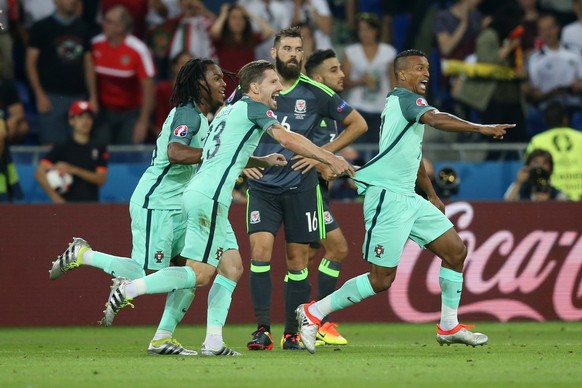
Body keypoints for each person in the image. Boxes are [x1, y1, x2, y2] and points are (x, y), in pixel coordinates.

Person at [98, 59, 353, 355]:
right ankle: (129, 289)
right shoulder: (254, 107)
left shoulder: (226, 112)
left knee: (232, 267)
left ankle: (214, 342)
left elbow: (222, 153)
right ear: (254, 88)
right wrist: (327, 157)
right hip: (208, 197)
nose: (279, 88)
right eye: (273, 83)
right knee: (201, 274)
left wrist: (262, 160)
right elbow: (285, 137)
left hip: (206, 195)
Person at [296, 49, 514, 354]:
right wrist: (480, 128)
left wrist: (432, 195)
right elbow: (437, 120)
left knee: (455, 251)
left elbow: (412, 158)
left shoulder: (407, 106)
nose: (425, 73)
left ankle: (449, 325)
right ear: (402, 74)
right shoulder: (405, 98)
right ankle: (313, 313)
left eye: (427, 67)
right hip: (387, 196)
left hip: (409, 197)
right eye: (418, 68)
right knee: (381, 279)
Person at [49, 58, 265, 356]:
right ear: (200, 83)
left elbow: (222, 151)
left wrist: (256, 160)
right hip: (158, 201)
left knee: (211, 270)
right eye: (216, 78)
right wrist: (215, 158)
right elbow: (175, 152)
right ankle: (83, 254)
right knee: (144, 271)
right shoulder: (187, 115)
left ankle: (169, 339)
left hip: (184, 203)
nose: (222, 83)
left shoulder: (204, 117)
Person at [238, 27, 366, 351]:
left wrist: (324, 155)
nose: (293, 54)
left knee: (298, 261)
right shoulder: (258, 87)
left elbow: (359, 123)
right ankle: (262, 330)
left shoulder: (315, 92)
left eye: (298, 49)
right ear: (274, 52)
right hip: (262, 187)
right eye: (287, 48)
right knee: (260, 253)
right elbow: (227, 122)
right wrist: (242, 163)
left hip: (302, 188)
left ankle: (291, 333)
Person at [301, 48, 352, 345]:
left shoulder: (326, 111)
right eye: (334, 70)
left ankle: (297, 327)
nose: (342, 74)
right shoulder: (314, 108)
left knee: (306, 256)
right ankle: (320, 320)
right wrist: (324, 162)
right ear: (318, 78)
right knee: (338, 248)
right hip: (308, 189)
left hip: (318, 189)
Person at [25, 0, 96, 145]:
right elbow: (30, 64)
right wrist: (39, 95)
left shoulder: (83, 28)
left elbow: (88, 64)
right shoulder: (41, 27)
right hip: (51, 97)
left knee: (80, 145)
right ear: (56, 1)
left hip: (78, 95)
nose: (72, 2)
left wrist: (93, 97)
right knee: (51, 147)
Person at [91, 5, 156, 145]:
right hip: (104, 111)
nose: (103, 24)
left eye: (108, 21)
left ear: (120, 27)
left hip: (131, 113)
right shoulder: (95, 44)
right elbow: (89, 74)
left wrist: (143, 121)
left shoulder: (138, 50)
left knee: (127, 152)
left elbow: (149, 88)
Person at [35, 100, 108, 203]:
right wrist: (55, 197)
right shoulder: (62, 147)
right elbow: (39, 172)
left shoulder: (99, 147)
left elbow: (101, 179)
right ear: (71, 120)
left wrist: (73, 169)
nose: (85, 121)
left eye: (88, 117)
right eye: (80, 117)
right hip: (67, 207)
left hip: (91, 206)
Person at [342, 12, 397, 144]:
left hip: (381, 108)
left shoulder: (388, 52)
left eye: (367, 29)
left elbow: (393, 81)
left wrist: (395, 107)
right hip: (357, 107)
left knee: (378, 149)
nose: (364, 33)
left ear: (376, 31)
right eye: (361, 29)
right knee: (358, 150)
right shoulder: (351, 52)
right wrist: (361, 81)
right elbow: (343, 81)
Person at [524, 101, 582, 201]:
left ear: (545, 120)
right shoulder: (580, 137)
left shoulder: (537, 140)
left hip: (551, 198)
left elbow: (530, 169)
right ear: (565, 119)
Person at [503, 149, 569, 201]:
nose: (540, 166)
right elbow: (506, 207)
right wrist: (519, 182)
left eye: (544, 163)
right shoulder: (519, 189)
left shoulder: (557, 194)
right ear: (528, 166)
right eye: (536, 162)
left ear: (551, 168)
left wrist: (549, 202)